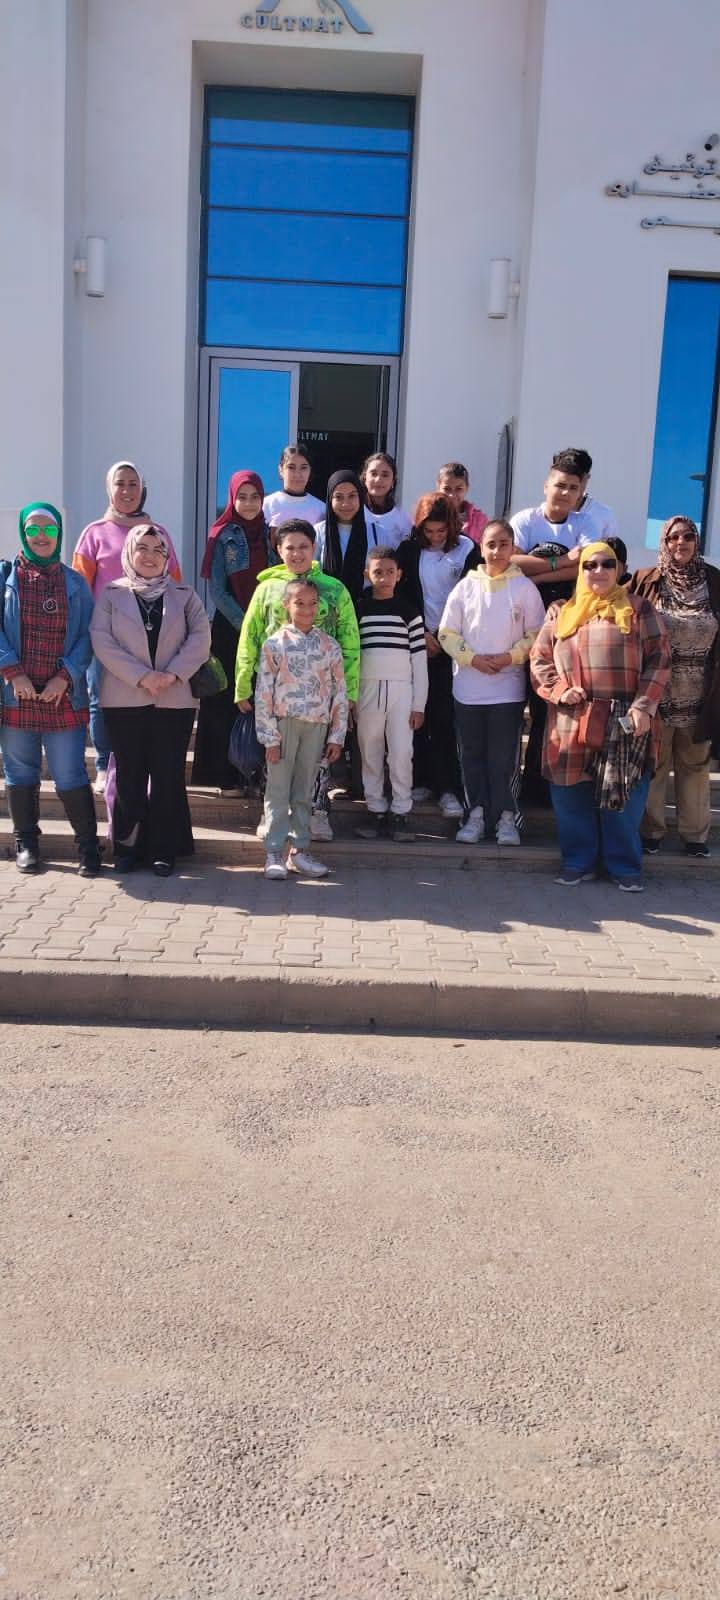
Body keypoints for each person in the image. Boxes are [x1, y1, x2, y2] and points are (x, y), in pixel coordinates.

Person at [529, 541, 670, 891]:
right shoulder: (561, 612)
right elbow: (539, 659)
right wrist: (560, 690)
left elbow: (660, 659)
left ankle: (623, 866)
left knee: (624, 796)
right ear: (581, 571)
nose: (599, 571)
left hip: (626, 720)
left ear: (618, 569)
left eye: (607, 564)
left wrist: (643, 706)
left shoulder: (639, 609)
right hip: (572, 719)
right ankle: (578, 861)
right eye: (590, 565)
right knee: (571, 794)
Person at [90, 524, 211, 876]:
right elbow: (102, 641)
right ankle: (127, 849)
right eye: (142, 548)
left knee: (167, 776)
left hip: (174, 700)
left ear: (167, 557)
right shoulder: (111, 594)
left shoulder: (185, 595)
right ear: (129, 552)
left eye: (159, 550)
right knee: (129, 776)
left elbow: (200, 639)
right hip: (124, 699)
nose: (150, 556)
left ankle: (163, 850)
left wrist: (171, 675)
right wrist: (143, 676)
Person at [235, 518, 359, 841]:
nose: (297, 553)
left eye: (304, 546)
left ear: (314, 547)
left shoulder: (334, 589)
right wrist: (243, 683)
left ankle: (317, 813)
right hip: (278, 692)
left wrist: (350, 691)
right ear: (279, 550)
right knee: (274, 754)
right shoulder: (266, 589)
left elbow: (350, 641)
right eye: (290, 547)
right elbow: (250, 636)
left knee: (316, 762)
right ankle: (272, 814)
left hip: (320, 693)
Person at [0, 503, 100, 876]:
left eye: (49, 529)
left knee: (69, 772)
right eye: (33, 529)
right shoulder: (6, 579)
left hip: (63, 697)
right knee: (20, 771)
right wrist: (13, 673)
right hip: (17, 696)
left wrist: (66, 675)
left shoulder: (75, 582)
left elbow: (89, 635)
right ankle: (26, 844)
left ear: (59, 533)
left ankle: (88, 847)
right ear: (22, 533)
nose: (41, 536)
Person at [73, 461, 181, 796]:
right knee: (100, 697)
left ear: (142, 489)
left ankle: (139, 764)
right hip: (104, 636)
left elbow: (174, 583)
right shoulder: (94, 533)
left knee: (145, 699)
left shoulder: (158, 533)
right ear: (110, 489)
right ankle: (105, 763)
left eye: (134, 484)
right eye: (121, 483)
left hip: (151, 634)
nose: (127, 490)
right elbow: (79, 588)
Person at [439, 519, 546, 845]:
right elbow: (447, 633)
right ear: (481, 548)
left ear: (513, 548)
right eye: (491, 544)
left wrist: (510, 657)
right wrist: (472, 658)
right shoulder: (465, 588)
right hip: (468, 689)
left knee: (503, 758)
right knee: (471, 755)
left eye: (504, 544)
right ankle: (475, 815)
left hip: (506, 689)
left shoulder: (524, 588)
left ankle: (506, 818)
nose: (497, 551)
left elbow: (537, 634)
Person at [630, 515, 720, 860]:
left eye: (687, 537)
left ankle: (695, 836)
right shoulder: (646, 579)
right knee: (654, 763)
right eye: (672, 538)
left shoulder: (714, 581)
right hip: (656, 689)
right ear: (664, 543)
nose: (680, 543)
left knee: (695, 765)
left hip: (701, 693)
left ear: (697, 541)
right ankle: (651, 832)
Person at [255, 578, 348, 881]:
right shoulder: (275, 644)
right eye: (299, 603)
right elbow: (264, 691)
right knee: (278, 789)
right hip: (284, 726)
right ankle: (274, 852)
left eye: (312, 603)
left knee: (305, 791)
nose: (307, 609)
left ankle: (299, 851)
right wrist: (269, 737)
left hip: (316, 725)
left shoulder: (329, 646)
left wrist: (336, 734)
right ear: (286, 605)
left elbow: (339, 691)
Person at [192, 470, 277, 793]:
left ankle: (253, 775)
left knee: (258, 700)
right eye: (242, 497)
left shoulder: (270, 534)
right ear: (232, 499)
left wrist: (264, 625)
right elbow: (217, 590)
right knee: (224, 698)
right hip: (231, 628)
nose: (249, 503)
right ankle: (222, 776)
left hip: (266, 629)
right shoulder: (221, 535)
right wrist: (245, 624)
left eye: (255, 497)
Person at [395, 492, 472, 818]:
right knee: (416, 714)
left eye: (442, 531)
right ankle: (420, 779)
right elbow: (401, 594)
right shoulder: (408, 550)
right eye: (429, 531)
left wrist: (443, 635)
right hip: (417, 641)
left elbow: (470, 596)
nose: (436, 536)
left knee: (444, 717)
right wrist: (422, 633)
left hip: (452, 644)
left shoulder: (467, 549)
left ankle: (447, 787)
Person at [355, 546, 428, 842]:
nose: (384, 578)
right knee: (370, 750)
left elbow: (419, 661)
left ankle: (400, 810)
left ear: (399, 575)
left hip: (402, 691)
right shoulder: (359, 609)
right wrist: (351, 697)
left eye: (389, 572)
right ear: (367, 574)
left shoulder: (409, 611)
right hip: (367, 689)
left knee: (401, 752)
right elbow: (353, 655)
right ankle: (375, 809)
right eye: (377, 572)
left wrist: (419, 704)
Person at [314, 469, 392, 604]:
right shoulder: (318, 532)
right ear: (330, 499)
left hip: (367, 609)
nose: (346, 504)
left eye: (352, 496)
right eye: (339, 497)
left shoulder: (378, 533)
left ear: (360, 497)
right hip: (327, 609)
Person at [552, 447, 619, 542]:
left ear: (587, 478)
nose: (567, 490)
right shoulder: (537, 516)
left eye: (578, 478)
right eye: (562, 483)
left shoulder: (604, 515)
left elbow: (611, 550)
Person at [263, 444, 325, 545]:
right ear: (281, 470)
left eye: (303, 468)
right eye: (291, 467)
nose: (297, 474)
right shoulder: (266, 505)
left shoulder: (321, 509)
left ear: (310, 471)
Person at [360, 452, 413, 546]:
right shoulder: (354, 512)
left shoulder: (404, 519)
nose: (378, 480)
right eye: (373, 474)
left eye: (385, 475)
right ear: (365, 478)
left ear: (393, 481)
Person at [436, 462, 489, 546]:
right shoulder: (428, 516)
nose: (452, 495)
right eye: (447, 489)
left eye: (459, 489)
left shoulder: (479, 520)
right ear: (438, 487)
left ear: (467, 488)